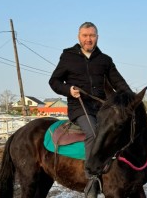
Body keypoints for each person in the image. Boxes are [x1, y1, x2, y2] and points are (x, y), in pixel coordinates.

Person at [49, 21, 131, 197]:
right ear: (79, 37)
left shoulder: (105, 60)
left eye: (92, 36)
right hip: (79, 107)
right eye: (85, 36)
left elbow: (119, 82)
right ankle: (92, 180)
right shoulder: (67, 57)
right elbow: (54, 81)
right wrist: (68, 90)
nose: (88, 39)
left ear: (97, 37)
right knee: (94, 132)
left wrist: (132, 98)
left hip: (101, 108)